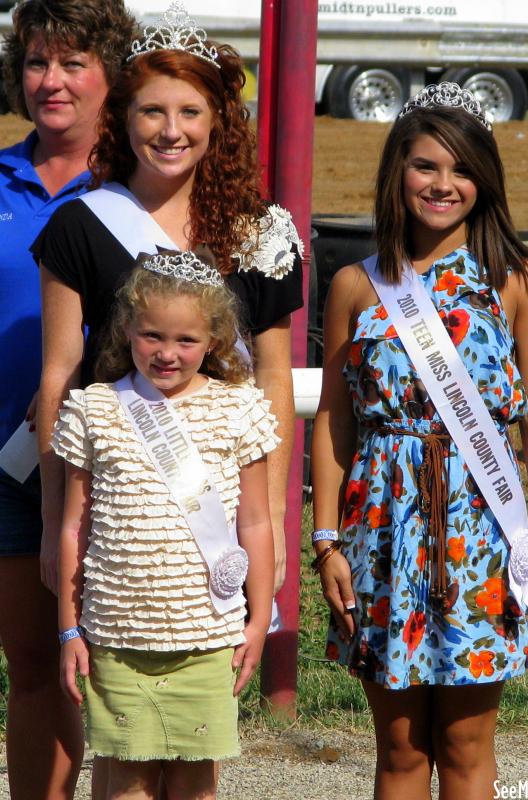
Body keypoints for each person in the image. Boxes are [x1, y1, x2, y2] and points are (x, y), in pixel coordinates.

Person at [311, 82, 528, 800]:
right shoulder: (358, 285)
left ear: (486, 178)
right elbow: (335, 417)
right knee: (397, 749)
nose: (443, 184)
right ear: (397, 171)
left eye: (461, 169)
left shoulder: (519, 281)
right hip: (381, 529)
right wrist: (326, 538)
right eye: (425, 165)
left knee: (463, 745)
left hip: (484, 529)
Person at [35, 2, 303, 610]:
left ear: (218, 122)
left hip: (226, 501)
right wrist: (55, 522)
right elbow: (59, 373)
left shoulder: (259, 232)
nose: (170, 130)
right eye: (152, 110)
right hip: (117, 501)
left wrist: (276, 517)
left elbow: (274, 374)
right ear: (122, 120)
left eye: (190, 111)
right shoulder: (79, 225)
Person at [53, 250, 276, 800]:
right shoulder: (95, 409)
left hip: (207, 634)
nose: (167, 354)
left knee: (195, 784)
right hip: (116, 632)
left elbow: (256, 521)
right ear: (127, 326)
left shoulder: (239, 409)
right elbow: (71, 528)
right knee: (124, 782)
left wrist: (259, 618)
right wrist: (67, 627)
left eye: (186, 341)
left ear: (215, 340)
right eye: (152, 335)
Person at [0, 2, 136, 797]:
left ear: (110, 74)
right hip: (12, 470)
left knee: (109, 676)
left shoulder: (141, 190)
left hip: (119, 473)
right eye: (36, 62)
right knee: (36, 673)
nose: (51, 81)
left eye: (73, 62)